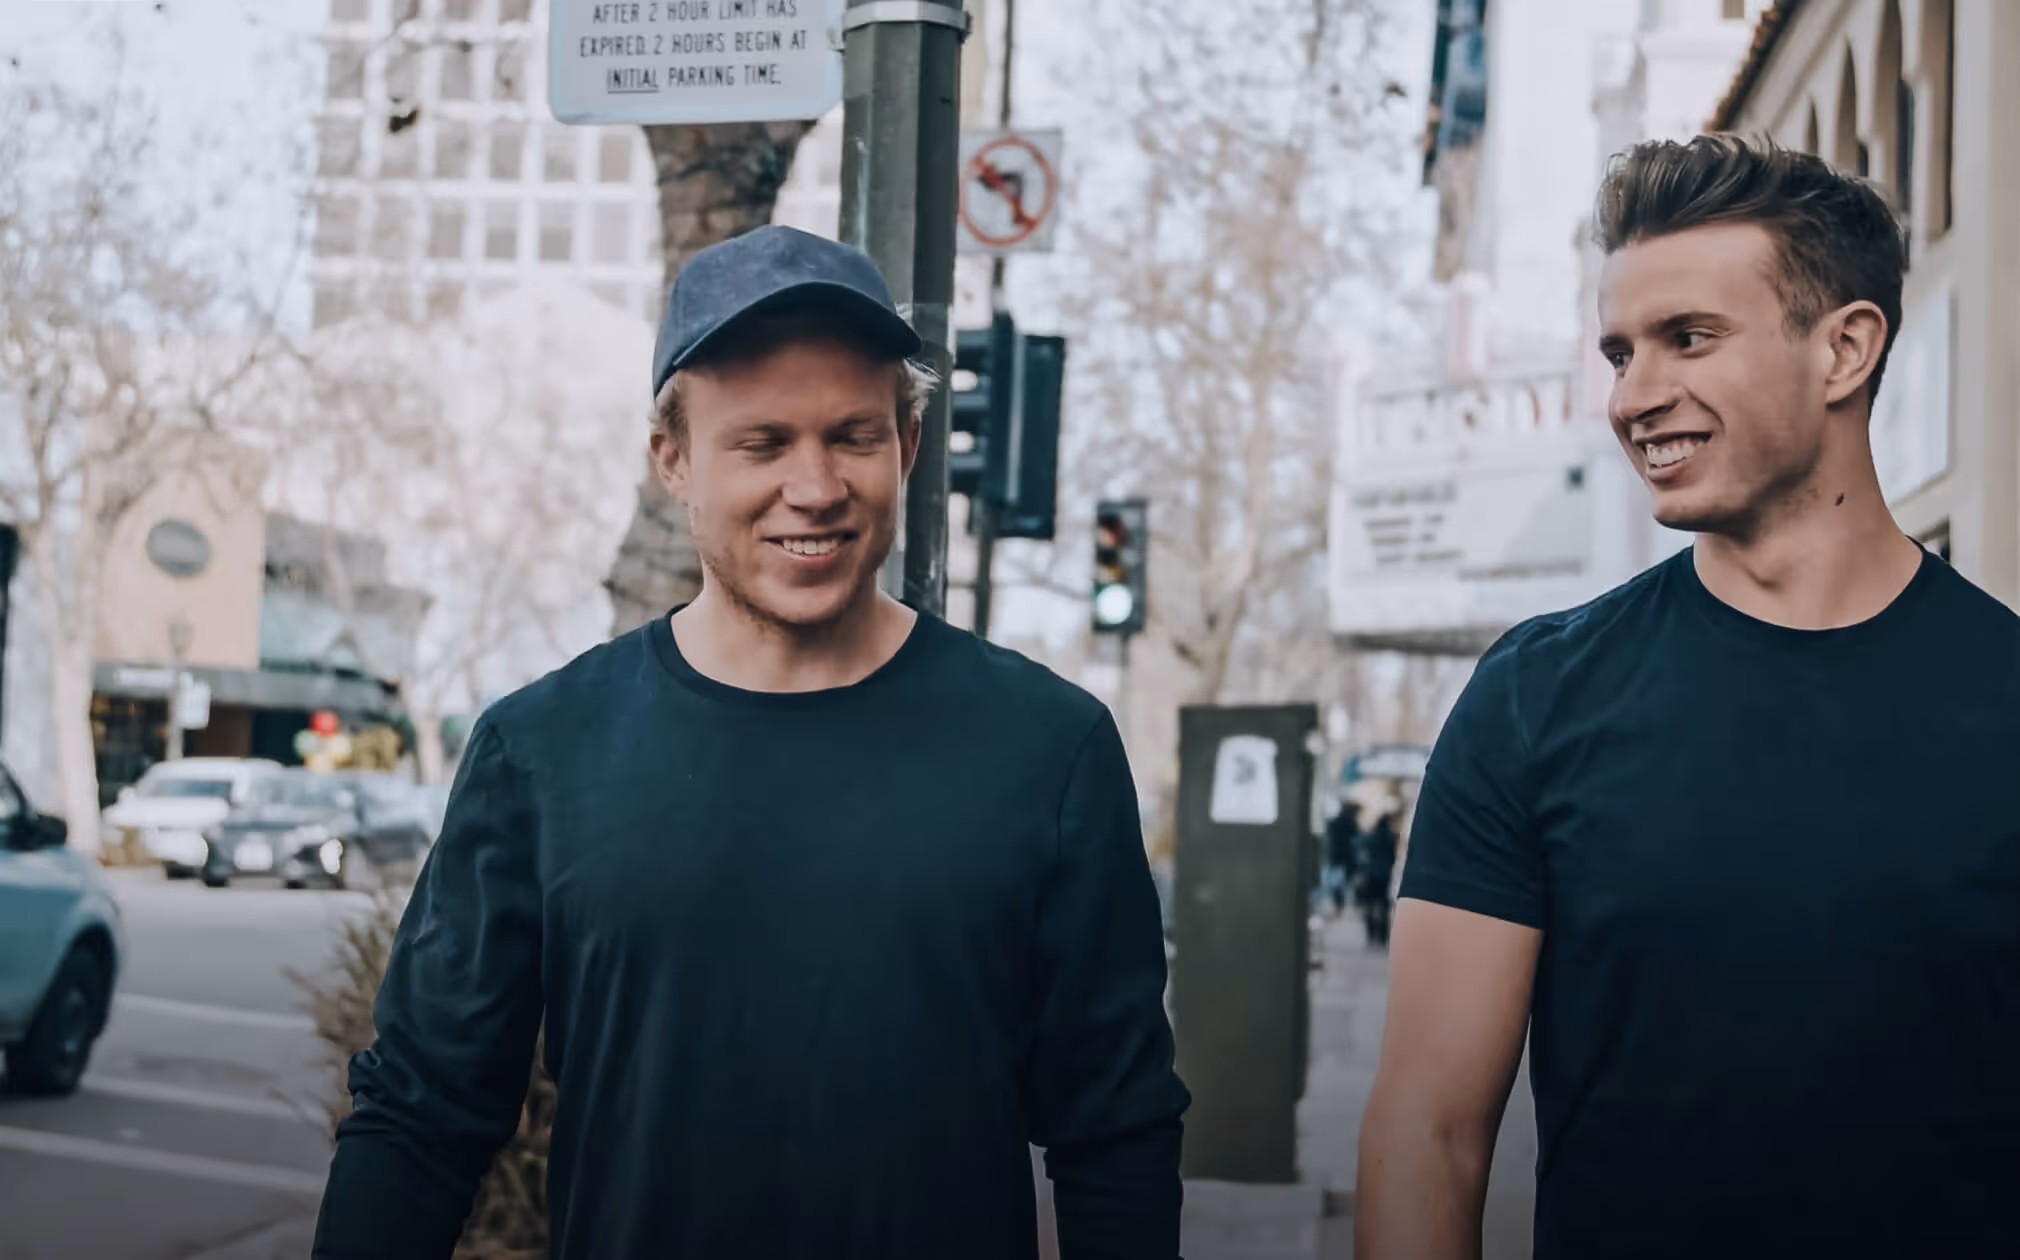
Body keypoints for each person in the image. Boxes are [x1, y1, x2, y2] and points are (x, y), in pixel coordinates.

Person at [312, 225, 1189, 1260]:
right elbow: (420, 1116)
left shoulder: (1050, 751)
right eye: (762, 444)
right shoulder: (540, 752)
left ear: (908, 444)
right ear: (672, 461)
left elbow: (1116, 1134)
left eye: (852, 437)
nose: (814, 488)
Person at [1356, 134, 2020, 1260]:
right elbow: (1428, 1131)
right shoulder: (1534, 698)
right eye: (1620, 352)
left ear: (1845, 349)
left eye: (1688, 340)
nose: (1635, 397)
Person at [1350, 810, 1396, 948]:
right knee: (1383, 906)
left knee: (1369, 905)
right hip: (1384, 876)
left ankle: (1371, 934)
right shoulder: (1390, 838)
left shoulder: (1370, 837)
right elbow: (1392, 858)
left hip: (1370, 875)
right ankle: (1382, 935)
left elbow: (1361, 853)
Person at [1322, 799, 1360, 914]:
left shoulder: (1333, 823)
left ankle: (1339, 907)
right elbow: (1355, 844)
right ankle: (1341, 907)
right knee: (1343, 885)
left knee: (1337, 886)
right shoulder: (1351, 824)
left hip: (1336, 858)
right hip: (1346, 859)